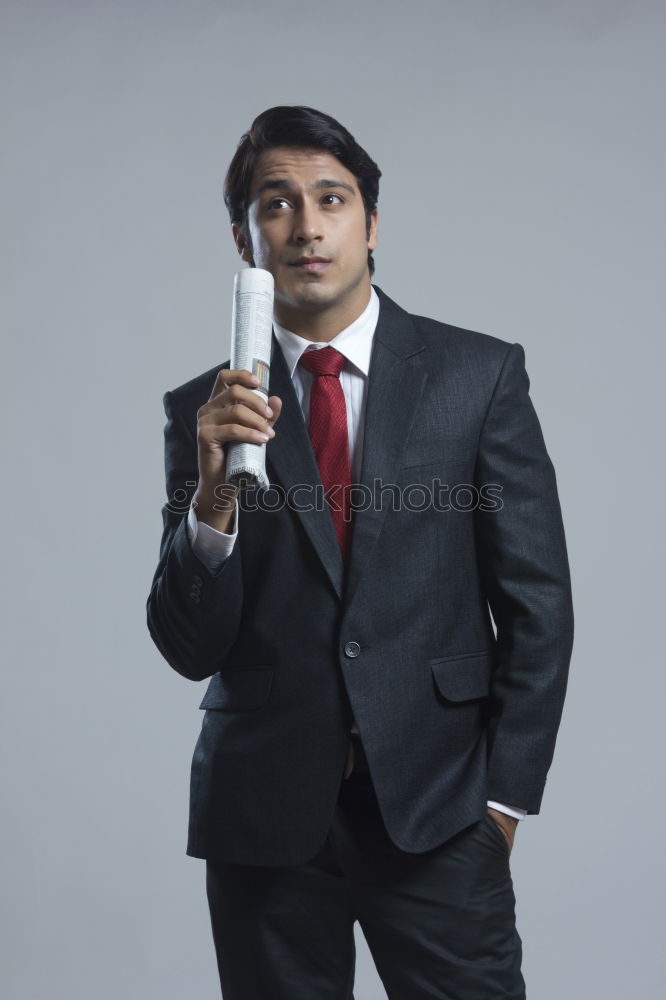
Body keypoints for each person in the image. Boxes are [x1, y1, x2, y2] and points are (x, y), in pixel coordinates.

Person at [146, 105, 574, 999]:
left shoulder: (476, 376)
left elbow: (537, 601)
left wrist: (503, 800)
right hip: (262, 816)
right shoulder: (206, 406)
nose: (307, 227)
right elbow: (190, 648)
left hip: (438, 806)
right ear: (243, 239)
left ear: (372, 224)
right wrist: (216, 487)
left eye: (331, 199)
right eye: (277, 204)